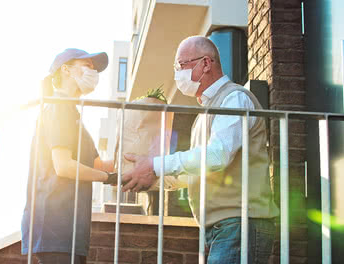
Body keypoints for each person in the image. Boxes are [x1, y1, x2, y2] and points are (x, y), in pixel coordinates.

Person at [121, 36, 279, 264]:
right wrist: (152, 177)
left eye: (181, 65)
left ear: (206, 63)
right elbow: (200, 170)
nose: (177, 74)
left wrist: (155, 164)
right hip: (226, 227)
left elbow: (217, 156)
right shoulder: (209, 110)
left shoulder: (234, 98)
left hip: (240, 223)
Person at [21, 48, 117, 264]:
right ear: (66, 70)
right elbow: (63, 166)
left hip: (67, 227)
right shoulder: (59, 107)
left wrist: (133, 162)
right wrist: (109, 178)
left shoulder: (71, 113)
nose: (93, 73)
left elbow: (96, 164)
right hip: (55, 224)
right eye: (87, 66)